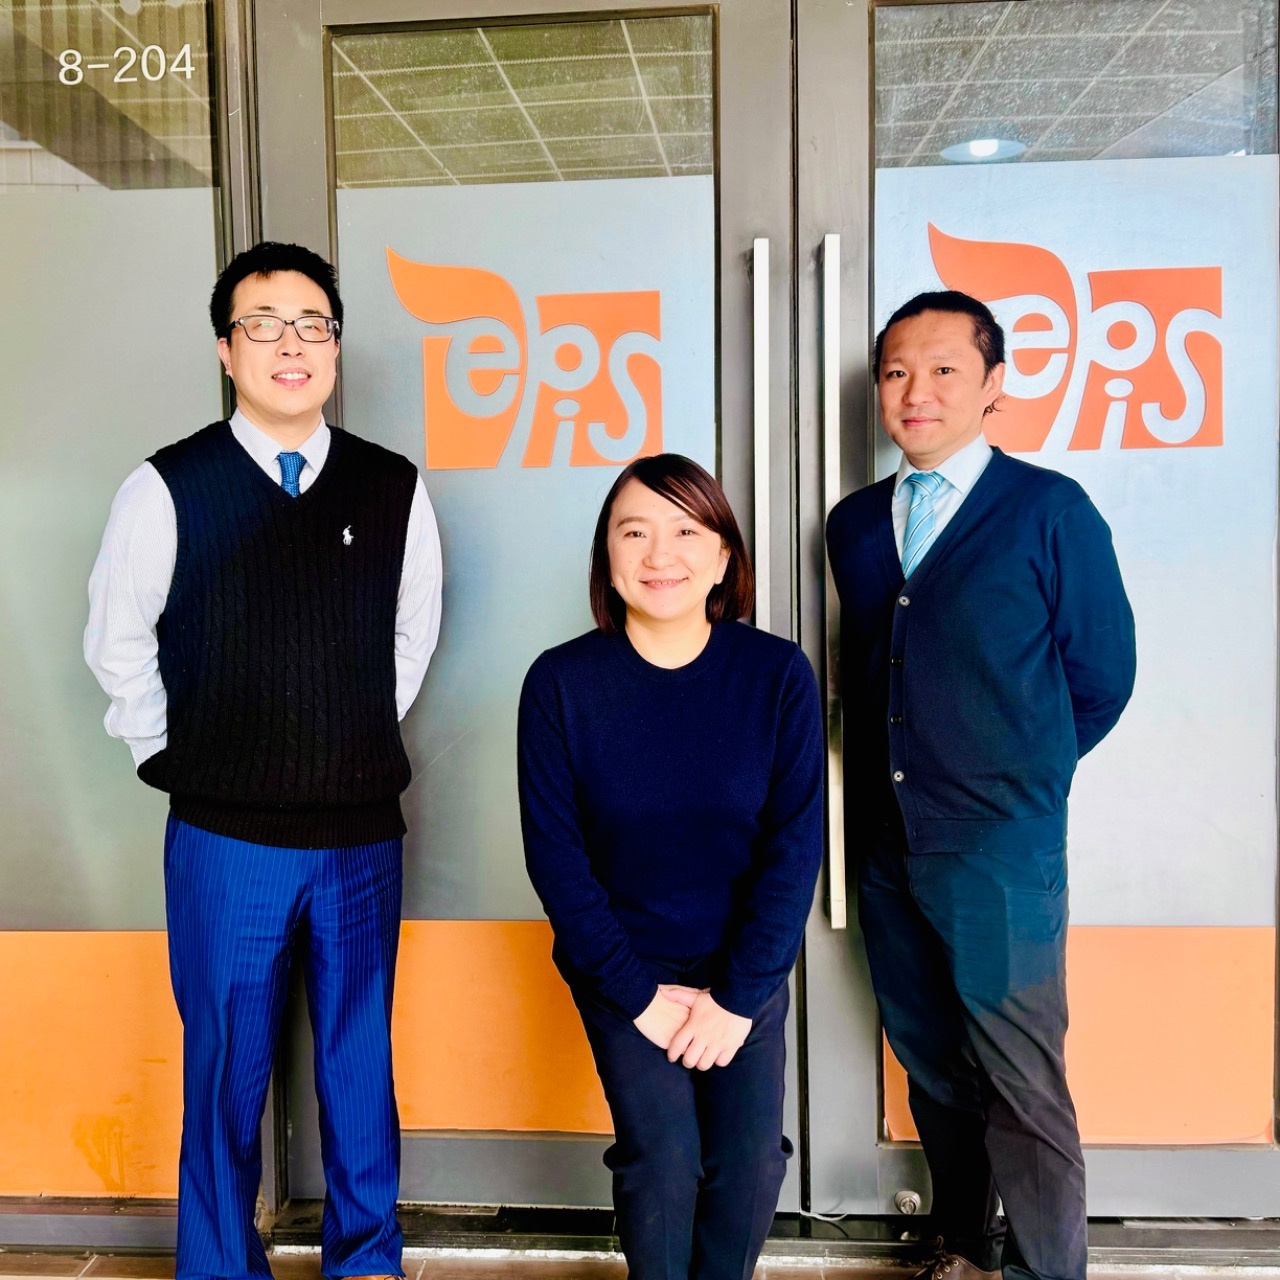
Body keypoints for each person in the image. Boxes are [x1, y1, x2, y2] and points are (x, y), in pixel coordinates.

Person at [84, 241, 443, 1280]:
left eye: (312, 325)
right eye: (264, 325)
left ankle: (366, 1261)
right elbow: (115, 643)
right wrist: (186, 754)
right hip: (224, 838)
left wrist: (339, 736)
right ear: (226, 350)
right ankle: (217, 1264)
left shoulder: (392, 487)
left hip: (359, 834)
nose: (291, 344)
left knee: (358, 1064)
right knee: (224, 1073)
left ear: (336, 344)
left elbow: (407, 641)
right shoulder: (168, 486)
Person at [826, 291, 1135, 1280]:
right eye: (896, 372)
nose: (914, 391)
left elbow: (1102, 675)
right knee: (929, 1058)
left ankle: (1047, 1272)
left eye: (943, 369)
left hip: (999, 844)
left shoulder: (1049, 509)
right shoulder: (854, 525)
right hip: (888, 842)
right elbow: (870, 664)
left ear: (993, 383)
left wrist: (1013, 775)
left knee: (1019, 1076)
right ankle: (963, 1243)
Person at [517, 454, 823, 1280]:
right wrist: (639, 997)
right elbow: (558, 863)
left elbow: (794, 852)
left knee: (750, 1163)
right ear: (607, 557)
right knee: (663, 1160)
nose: (660, 555)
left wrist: (736, 998)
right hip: (622, 966)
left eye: (687, 531)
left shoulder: (777, 677)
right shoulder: (561, 684)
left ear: (723, 558)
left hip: (742, 966)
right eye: (635, 532)